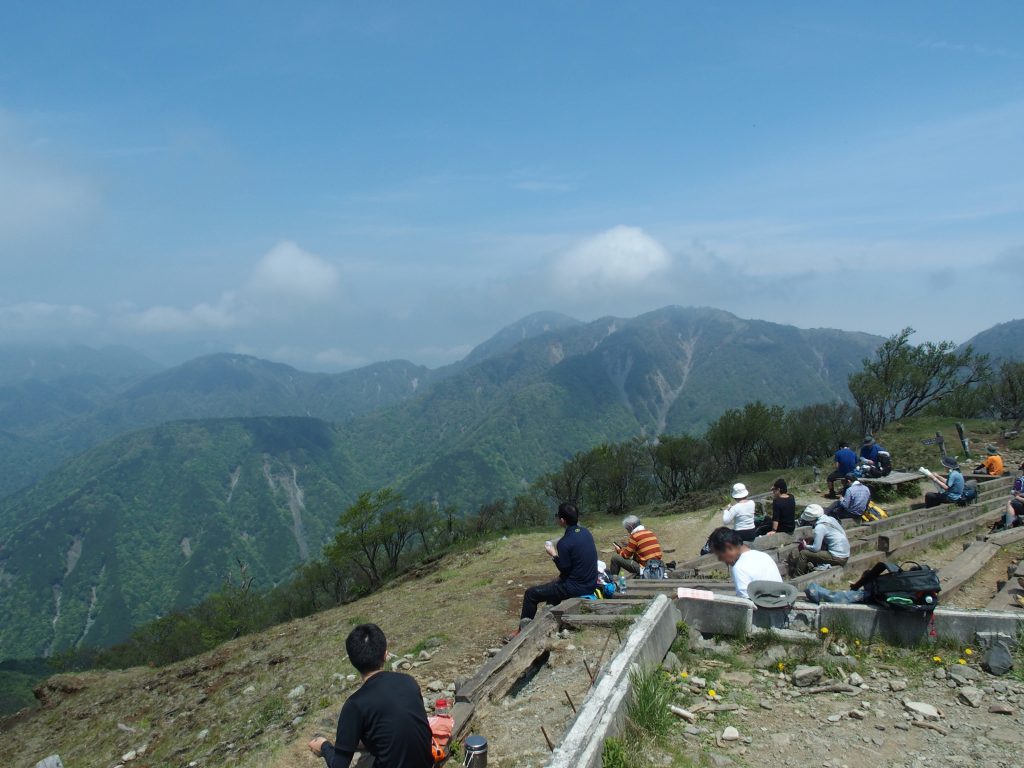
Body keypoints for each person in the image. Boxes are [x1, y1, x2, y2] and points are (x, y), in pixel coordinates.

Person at [309, 623, 432, 768]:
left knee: (355, 761)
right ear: (385, 655)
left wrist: (324, 746)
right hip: (426, 763)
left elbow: (339, 765)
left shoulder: (355, 705)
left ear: (352, 661)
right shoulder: (408, 682)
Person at [517, 502, 598, 632]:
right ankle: (549, 618)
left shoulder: (564, 543)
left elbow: (564, 569)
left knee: (531, 594)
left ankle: (522, 631)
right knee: (553, 587)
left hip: (576, 588)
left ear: (562, 520)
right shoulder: (586, 532)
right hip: (591, 583)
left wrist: (553, 555)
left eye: (557, 516)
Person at [706, 526, 783, 599]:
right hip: (782, 603)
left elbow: (746, 604)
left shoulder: (739, 568)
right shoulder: (764, 556)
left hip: (766, 610)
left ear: (729, 547)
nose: (720, 559)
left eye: (719, 555)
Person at [788, 504, 851, 576]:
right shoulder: (830, 519)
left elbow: (816, 548)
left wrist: (806, 546)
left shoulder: (820, 527)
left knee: (803, 553)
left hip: (838, 557)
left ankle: (797, 575)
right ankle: (809, 566)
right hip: (845, 554)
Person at [1001, 461, 1024, 529]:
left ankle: (1009, 525)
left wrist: (1017, 497)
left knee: (1010, 503)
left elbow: (1015, 491)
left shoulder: (1020, 480)